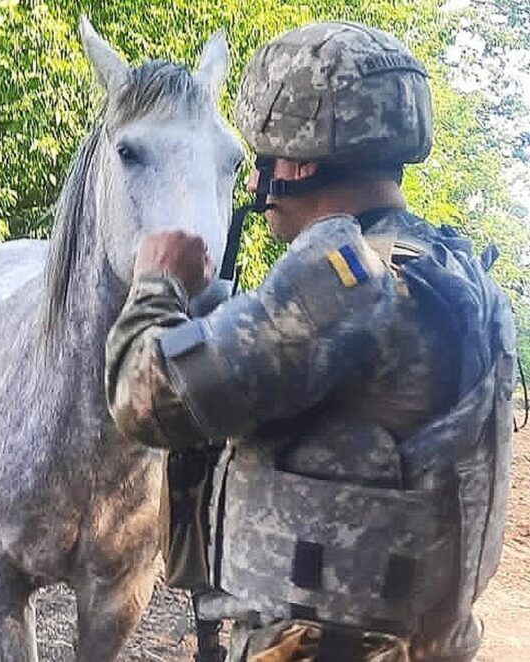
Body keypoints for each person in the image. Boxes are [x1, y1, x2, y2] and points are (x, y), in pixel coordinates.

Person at [104, 21, 516, 662]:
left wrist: (157, 283)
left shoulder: (342, 283)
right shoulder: (453, 271)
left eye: (262, 157)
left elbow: (143, 399)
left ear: (295, 164)